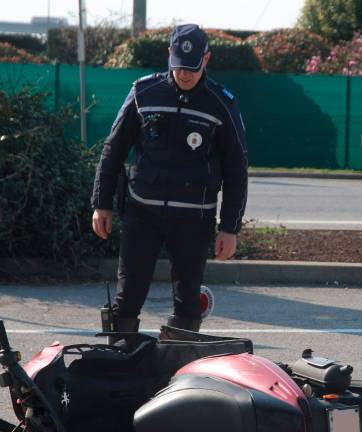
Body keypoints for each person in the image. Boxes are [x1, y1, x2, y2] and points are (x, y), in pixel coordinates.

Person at [91, 23, 248, 334]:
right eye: (178, 66)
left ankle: (179, 370)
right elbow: (113, 149)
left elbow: (236, 168)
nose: (184, 74)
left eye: (191, 67)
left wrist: (230, 227)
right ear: (168, 56)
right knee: (128, 297)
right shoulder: (143, 92)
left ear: (206, 59)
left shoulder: (221, 103)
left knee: (187, 301)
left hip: (193, 219)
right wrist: (101, 203)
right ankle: (119, 371)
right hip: (143, 212)